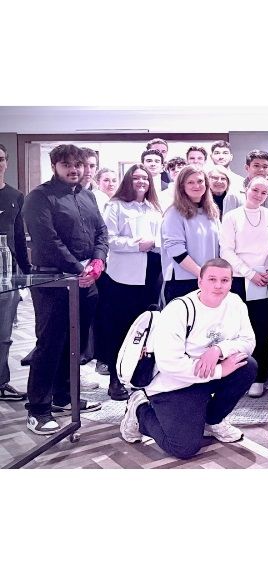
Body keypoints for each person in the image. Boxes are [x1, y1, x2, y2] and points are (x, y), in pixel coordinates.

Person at [119, 258, 257, 459]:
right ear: (200, 281)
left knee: (247, 366)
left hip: (204, 377)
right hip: (173, 384)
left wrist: (219, 350)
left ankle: (213, 420)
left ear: (231, 282)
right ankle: (139, 410)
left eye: (224, 280)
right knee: (183, 448)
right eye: (212, 279)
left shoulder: (235, 303)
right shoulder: (178, 310)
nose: (218, 286)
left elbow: (248, 341)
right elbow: (169, 364)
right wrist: (220, 370)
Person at [21, 144, 107, 434]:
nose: (74, 169)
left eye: (78, 164)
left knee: (76, 343)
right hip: (52, 281)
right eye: (67, 164)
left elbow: (101, 232)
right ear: (54, 166)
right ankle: (38, 409)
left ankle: (64, 396)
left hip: (86, 280)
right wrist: (78, 268)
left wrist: (98, 261)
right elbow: (46, 240)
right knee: (50, 343)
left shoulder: (88, 196)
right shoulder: (39, 197)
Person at [97, 164, 163, 401]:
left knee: (146, 328)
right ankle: (115, 379)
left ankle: (139, 375)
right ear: (128, 180)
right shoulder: (115, 206)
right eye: (136, 178)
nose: (141, 181)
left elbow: (162, 237)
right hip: (122, 277)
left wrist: (153, 243)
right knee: (119, 328)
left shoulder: (154, 207)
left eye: (145, 178)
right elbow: (108, 239)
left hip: (152, 274)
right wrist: (136, 245)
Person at [219, 176, 268, 397]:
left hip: (264, 279)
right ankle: (236, 374)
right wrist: (249, 273)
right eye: (255, 190)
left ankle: (259, 376)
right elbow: (226, 251)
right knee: (237, 328)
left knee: (261, 328)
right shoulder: (231, 217)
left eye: (264, 192)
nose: (259, 195)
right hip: (239, 278)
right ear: (246, 189)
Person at [160, 166, 220, 303]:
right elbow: (176, 250)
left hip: (207, 280)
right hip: (182, 281)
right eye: (190, 182)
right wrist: (202, 274)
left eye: (200, 181)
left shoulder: (211, 211)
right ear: (182, 186)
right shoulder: (174, 213)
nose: (196, 186)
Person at [0, 143, 31, 401]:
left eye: (0, 159)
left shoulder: (15, 196)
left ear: (6, 163)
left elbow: (19, 237)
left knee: (4, 334)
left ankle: (1, 382)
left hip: (7, 273)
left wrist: (25, 272)